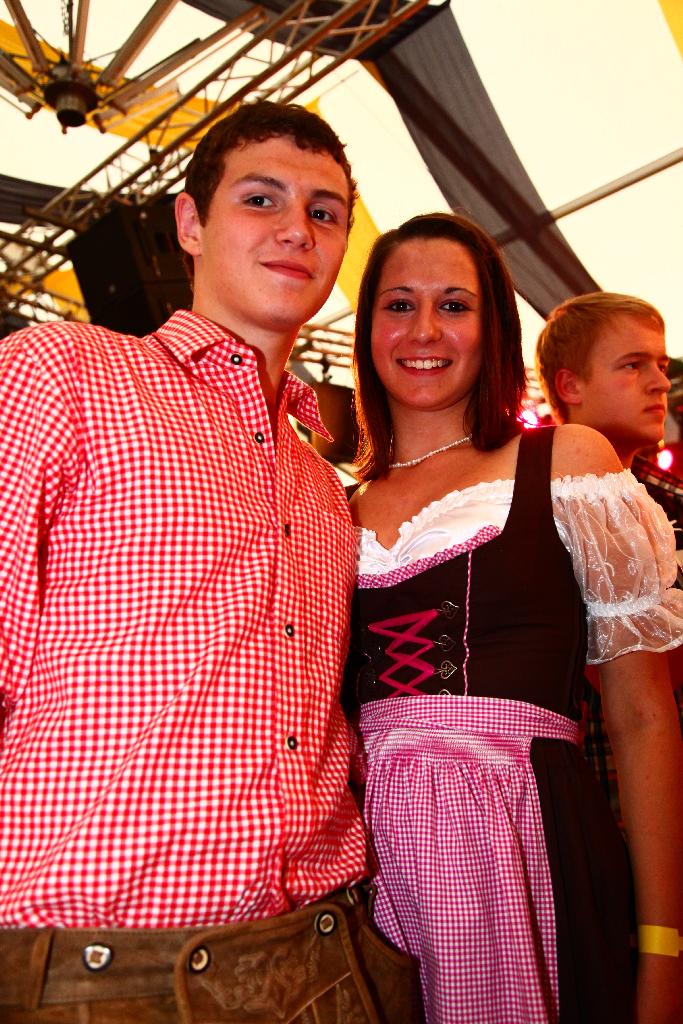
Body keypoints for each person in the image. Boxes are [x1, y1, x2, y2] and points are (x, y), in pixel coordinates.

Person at [0, 101, 417, 1023]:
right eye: (260, 199)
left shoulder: (322, 484)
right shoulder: (63, 370)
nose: (296, 229)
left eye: (323, 212)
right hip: (103, 969)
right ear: (189, 223)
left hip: (326, 952)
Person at [344, 213, 683, 1024]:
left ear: (494, 326)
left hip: (529, 847)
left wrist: (663, 950)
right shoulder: (329, 504)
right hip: (368, 872)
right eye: (398, 304)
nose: (424, 330)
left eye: (454, 305)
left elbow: (642, 717)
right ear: (367, 329)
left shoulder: (564, 463)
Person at [536, 292, 683, 823]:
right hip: (578, 801)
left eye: (661, 365)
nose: (661, 382)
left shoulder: (673, 502)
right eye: (633, 365)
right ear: (570, 386)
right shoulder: (526, 506)